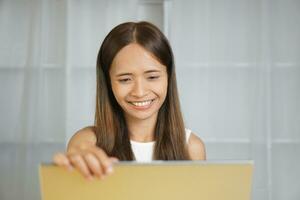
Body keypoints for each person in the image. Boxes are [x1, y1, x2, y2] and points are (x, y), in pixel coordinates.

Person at [53, 21, 206, 181]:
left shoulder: (192, 148)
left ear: (169, 77)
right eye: (125, 79)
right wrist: (78, 159)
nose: (139, 92)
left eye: (152, 77)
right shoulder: (89, 140)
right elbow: (80, 151)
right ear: (108, 82)